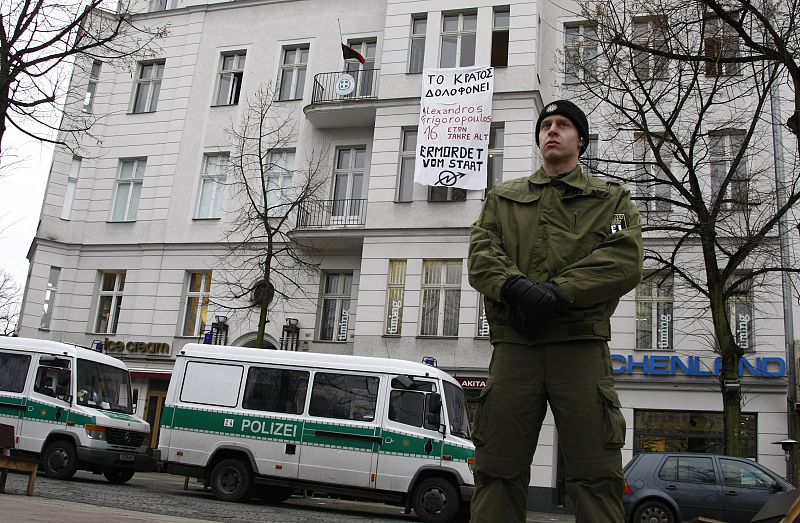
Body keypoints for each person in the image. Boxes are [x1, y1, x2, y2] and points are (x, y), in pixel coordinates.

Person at [467, 100, 643, 522]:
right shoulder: (502, 199)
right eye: (546, 124)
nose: (552, 130)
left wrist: (559, 293)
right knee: (496, 468)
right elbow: (481, 255)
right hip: (516, 347)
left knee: (596, 473)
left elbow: (622, 259)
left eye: (563, 124)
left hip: (579, 347)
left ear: (580, 139)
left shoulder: (611, 201)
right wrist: (517, 288)